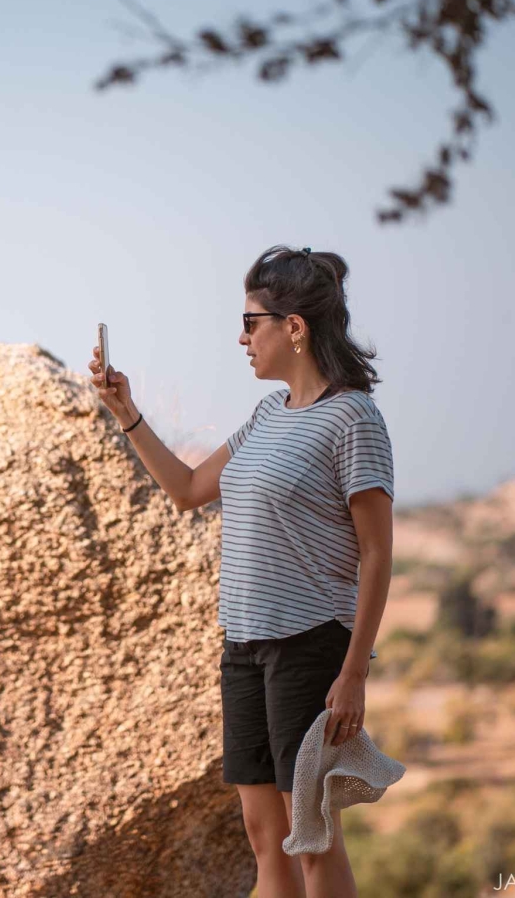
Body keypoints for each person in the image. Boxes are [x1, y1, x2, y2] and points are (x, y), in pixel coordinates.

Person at [89, 245, 394, 898]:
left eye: (251, 320)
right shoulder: (266, 415)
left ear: (295, 327)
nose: (241, 335)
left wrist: (353, 670)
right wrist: (127, 415)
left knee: (311, 840)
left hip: (310, 648)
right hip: (244, 648)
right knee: (265, 843)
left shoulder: (353, 418)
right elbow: (191, 488)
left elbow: (378, 553)